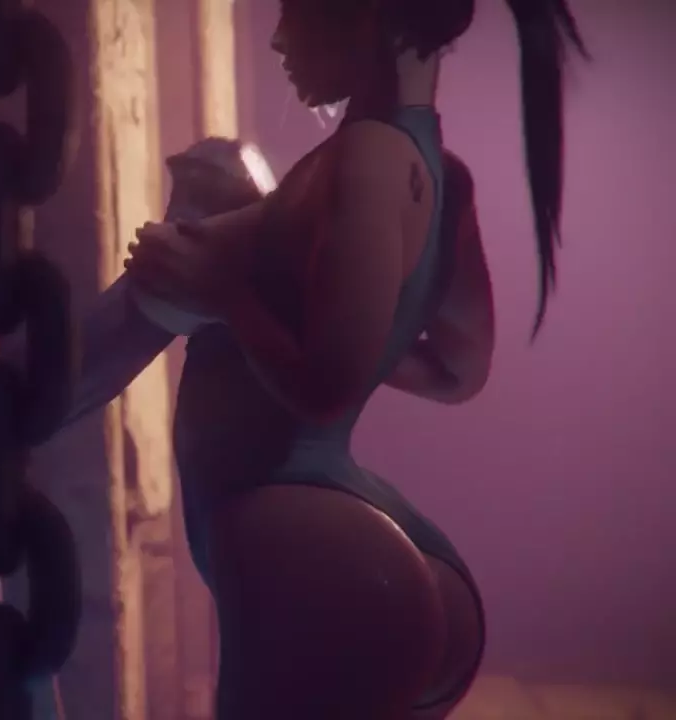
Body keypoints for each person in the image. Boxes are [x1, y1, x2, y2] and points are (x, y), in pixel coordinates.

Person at [125, 0, 587, 716]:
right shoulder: (442, 176)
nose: (279, 39)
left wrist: (228, 294)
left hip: (306, 535)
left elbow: (326, 391)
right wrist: (328, 321)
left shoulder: (366, 159)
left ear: (371, 14)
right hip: (392, 556)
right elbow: (460, 371)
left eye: (301, 10)